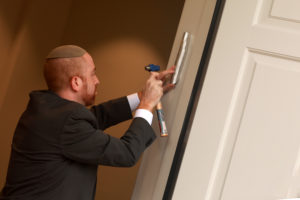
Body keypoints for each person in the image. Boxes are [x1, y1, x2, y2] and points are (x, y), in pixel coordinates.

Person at [0, 45, 175, 200]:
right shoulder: (67, 121)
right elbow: (126, 153)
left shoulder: (47, 110)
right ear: (76, 82)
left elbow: (96, 117)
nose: (97, 80)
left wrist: (142, 96)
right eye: (92, 74)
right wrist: (146, 105)